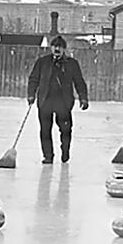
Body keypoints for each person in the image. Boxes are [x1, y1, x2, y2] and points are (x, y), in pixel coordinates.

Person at [27, 35, 89, 164]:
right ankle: (48, 156)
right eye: (55, 46)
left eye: (60, 47)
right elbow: (33, 79)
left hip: (63, 102)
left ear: (64, 49)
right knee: (45, 130)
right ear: (51, 47)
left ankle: (65, 151)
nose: (57, 49)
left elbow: (79, 82)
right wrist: (31, 94)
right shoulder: (42, 62)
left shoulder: (71, 64)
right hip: (45, 101)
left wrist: (83, 98)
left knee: (66, 130)